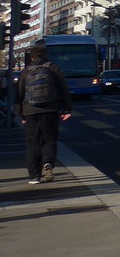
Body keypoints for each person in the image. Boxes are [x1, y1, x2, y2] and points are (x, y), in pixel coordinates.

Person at [16, 41, 73, 185]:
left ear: (31, 57)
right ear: (45, 55)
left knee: (32, 143)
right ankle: (48, 163)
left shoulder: (26, 71)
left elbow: (19, 94)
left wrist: (21, 114)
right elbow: (64, 90)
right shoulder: (53, 67)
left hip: (30, 111)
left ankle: (34, 176)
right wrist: (67, 109)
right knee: (49, 140)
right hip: (50, 110)